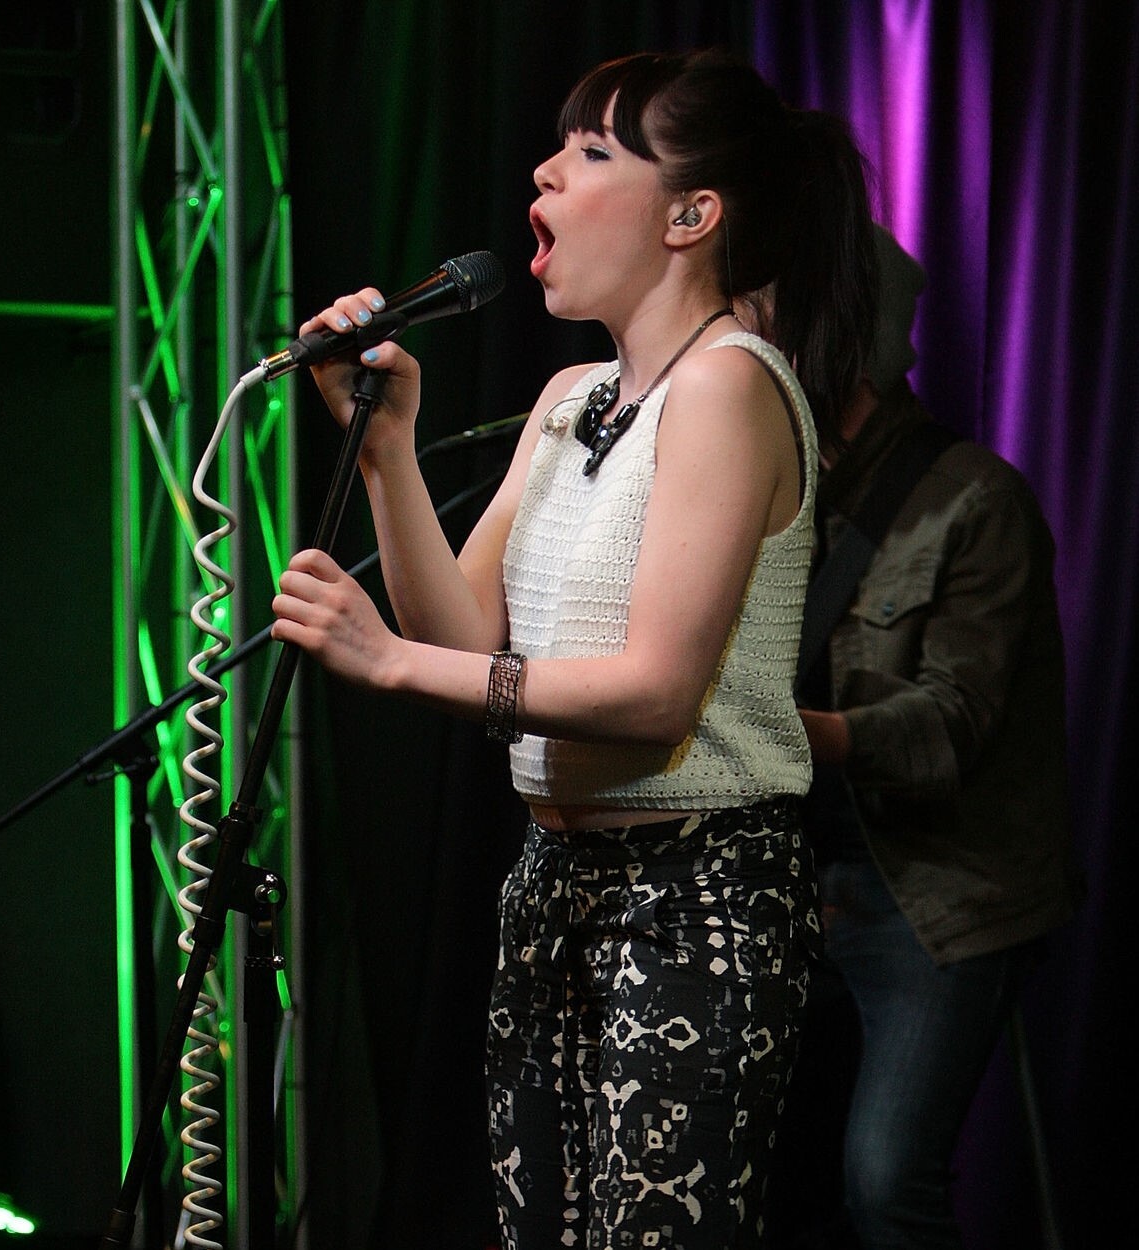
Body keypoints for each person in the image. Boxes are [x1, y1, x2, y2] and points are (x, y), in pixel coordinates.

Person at [270, 49, 878, 1249]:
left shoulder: (729, 386)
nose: (545, 172)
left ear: (689, 216)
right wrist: (386, 449)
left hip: (694, 895)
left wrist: (386, 661)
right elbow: (467, 635)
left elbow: (652, 696)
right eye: (557, 145)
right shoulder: (571, 397)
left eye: (592, 150)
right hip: (554, 882)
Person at [769, 228, 1082, 1250]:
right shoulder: (775, 491)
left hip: (935, 893)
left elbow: (950, 727)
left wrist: (779, 733)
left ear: (837, 349)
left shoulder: (974, 500)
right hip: (798, 881)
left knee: (886, 1181)